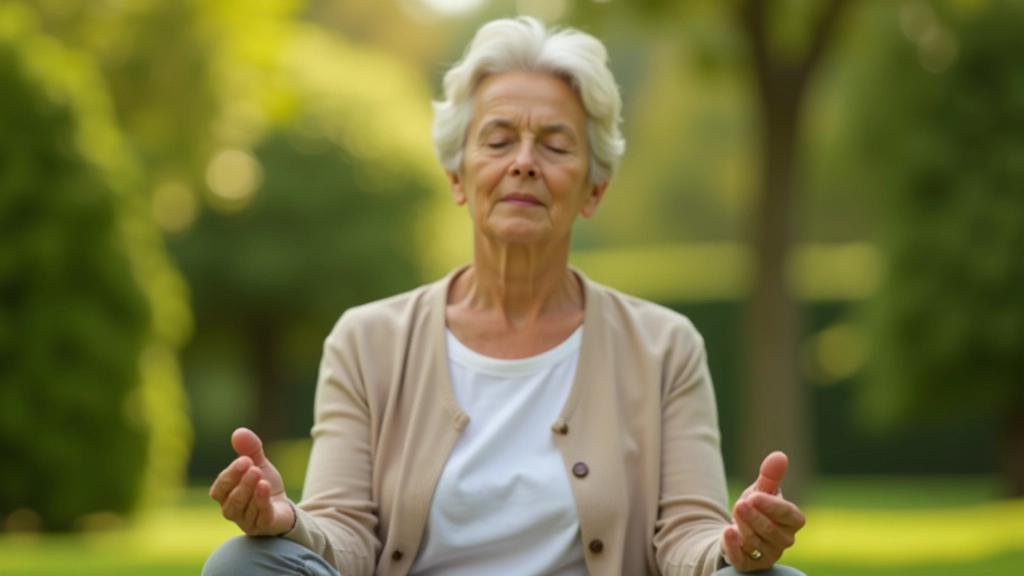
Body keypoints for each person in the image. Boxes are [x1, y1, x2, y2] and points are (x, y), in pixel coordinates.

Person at [203, 16, 806, 576]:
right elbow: (348, 537)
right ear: (457, 176)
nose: (523, 162)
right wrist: (289, 521)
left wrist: (733, 547)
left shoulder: (665, 347)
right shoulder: (367, 341)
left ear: (593, 189)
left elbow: (685, 535)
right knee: (242, 563)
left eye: (555, 144)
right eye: (497, 140)